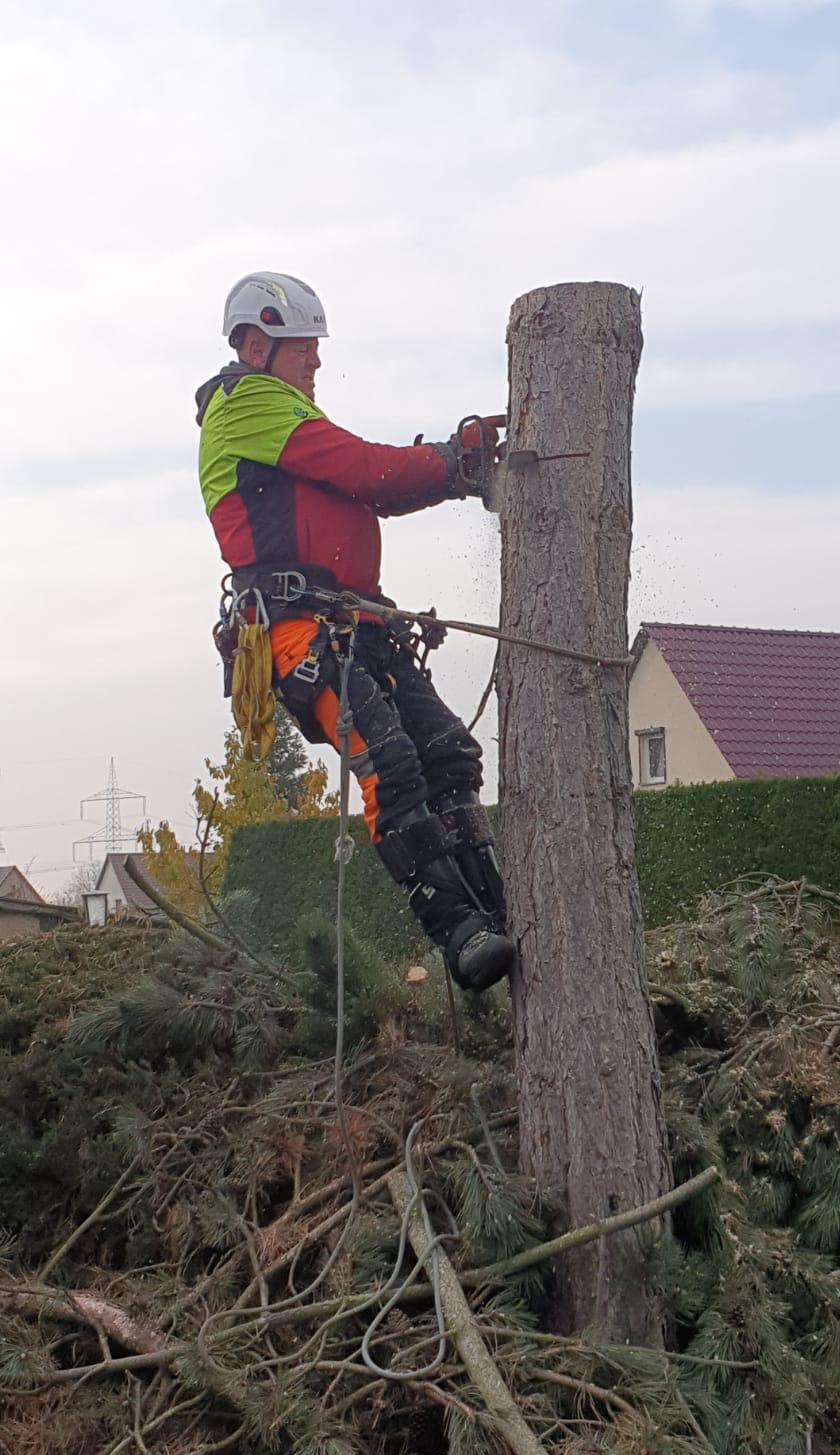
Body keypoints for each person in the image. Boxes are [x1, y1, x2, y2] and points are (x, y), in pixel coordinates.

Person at [195, 271, 515, 991]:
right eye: (300, 346)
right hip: (297, 633)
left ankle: (494, 906)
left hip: (356, 622)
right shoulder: (242, 404)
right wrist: (453, 459)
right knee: (393, 764)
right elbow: (369, 470)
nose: (314, 361)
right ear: (254, 345)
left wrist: (450, 469)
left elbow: (373, 485)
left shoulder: (286, 426)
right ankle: (458, 932)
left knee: (449, 753)